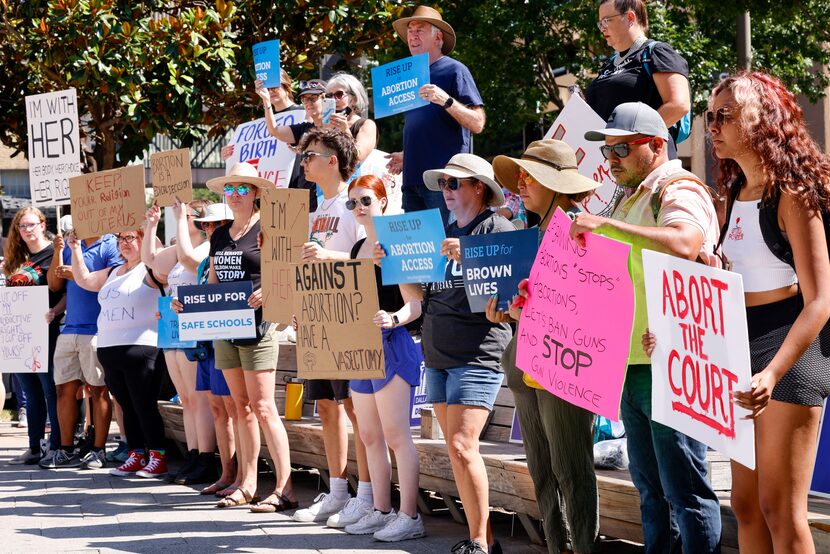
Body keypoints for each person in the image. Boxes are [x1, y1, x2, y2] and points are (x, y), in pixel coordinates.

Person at [570, 102, 721, 553]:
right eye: (607, 151)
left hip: (671, 362)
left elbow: (686, 243)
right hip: (635, 360)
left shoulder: (677, 188)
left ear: (657, 145)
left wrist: (604, 224)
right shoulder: (633, 194)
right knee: (653, 493)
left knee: (685, 493)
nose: (610, 160)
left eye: (620, 149)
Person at [707, 71, 830, 554]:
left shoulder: (793, 196)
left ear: (762, 121)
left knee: (781, 507)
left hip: (790, 353)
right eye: (710, 116)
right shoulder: (730, 197)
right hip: (741, 349)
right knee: (746, 505)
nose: (713, 126)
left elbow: (820, 300)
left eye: (726, 116)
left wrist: (773, 373)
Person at [377, 153, 512, 554]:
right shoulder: (446, 230)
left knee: (460, 445)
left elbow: (508, 288)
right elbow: (421, 297)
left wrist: (469, 256)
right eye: (444, 184)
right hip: (437, 351)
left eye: (455, 184)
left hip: (478, 351)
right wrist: (398, 270)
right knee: (457, 451)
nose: (447, 191)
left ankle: (477, 542)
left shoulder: (498, 227)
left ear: (479, 188)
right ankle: (485, 539)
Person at [486, 140, 601, 554]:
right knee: (541, 467)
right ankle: (557, 545)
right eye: (520, 175)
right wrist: (505, 311)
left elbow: (592, 306)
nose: (520, 183)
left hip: (566, 361)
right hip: (525, 360)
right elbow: (524, 304)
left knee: (570, 467)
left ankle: (581, 547)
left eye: (530, 176)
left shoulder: (582, 231)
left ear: (556, 183)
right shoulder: (528, 234)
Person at [196, 162, 296, 510]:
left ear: (255, 194)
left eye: (242, 189)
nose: (236, 195)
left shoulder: (268, 229)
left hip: (260, 326)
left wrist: (269, 290)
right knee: (241, 407)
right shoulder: (220, 235)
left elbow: (287, 271)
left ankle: (285, 487)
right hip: (226, 327)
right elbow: (213, 282)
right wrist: (192, 305)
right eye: (230, 189)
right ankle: (248, 482)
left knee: (265, 407)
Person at [290, 128, 372, 526]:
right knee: (325, 406)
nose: (303, 162)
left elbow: (369, 257)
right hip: (316, 316)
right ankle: (338, 491)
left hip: (348, 316)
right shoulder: (312, 208)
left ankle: (370, 494)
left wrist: (327, 255)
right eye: (303, 157)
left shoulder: (354, 202)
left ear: (332, 161)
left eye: (309, 156)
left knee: (355, 408)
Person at [337, 175, 425, 541]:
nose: (359, 208)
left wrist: (393, 318)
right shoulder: (358, 247)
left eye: (366, 201)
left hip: (393, 342)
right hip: (361, 345)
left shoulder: (395, 242)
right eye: (352, 202)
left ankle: (410, 515)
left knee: (395, 434)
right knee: (369, 433)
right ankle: (381, 510)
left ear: (384, 202)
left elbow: (415, 304)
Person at [68, 229, 168, 478]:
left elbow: (162, 261)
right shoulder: (114, 271)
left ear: (144, 241)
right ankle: (136, 452)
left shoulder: (150, 268)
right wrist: (75, 249)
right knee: (126, 405)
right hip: (111, 349)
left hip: (141, 347)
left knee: (144, 404)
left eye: (130, 238)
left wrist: (152, 225)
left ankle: (157, 454)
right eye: (120, 239)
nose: (124, 243)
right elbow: (84, 280)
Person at [142, 199, 218, 486]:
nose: (180, 219)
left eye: (186, 215)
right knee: (186, 398)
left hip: (195, 325)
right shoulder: (182, 246)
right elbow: (151, 261)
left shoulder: (208, 247)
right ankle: (194, 453)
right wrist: (151, 226)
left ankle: (206, 457)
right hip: (173, 324)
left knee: (198, 397)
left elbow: (188, 261)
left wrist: (180, 221)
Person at [387, 5, 485, 225]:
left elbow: (478, 123)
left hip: (444, 181)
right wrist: (408, 154)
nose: (412, 35)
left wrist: (446, 101)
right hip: (412, 181)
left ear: (438, 37)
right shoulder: (409, 77)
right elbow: (429, 128)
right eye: (410, 31)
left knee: (444, 247)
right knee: (419, 254)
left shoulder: (455, 70)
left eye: (419, 30)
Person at [44, 231, 122, 469]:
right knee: (64, 390)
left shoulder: (110, 245)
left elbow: (114, 284)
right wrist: (58, 251)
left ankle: (98, 451)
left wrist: (77, 275)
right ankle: (66, 450)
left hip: (97, 329)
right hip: (70, 329)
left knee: (98, 390)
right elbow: (55, 284)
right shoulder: (70, 243)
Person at [584, 0, 690, 157]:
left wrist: (630, 141)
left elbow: (678, 105)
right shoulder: (609, 65)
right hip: (610, 161)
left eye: (607, 20)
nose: (602, 28)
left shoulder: (656, 52)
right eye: (600, 23)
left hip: (646, 160)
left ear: (630, 18)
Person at [4, 207, 65, 465]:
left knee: (49, 388)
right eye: (22, 226)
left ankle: (56, 445)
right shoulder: (18, 257)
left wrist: (55, 311)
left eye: (31, 224)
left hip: (46, 330)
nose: (26, 230)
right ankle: (34, 446)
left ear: (43, 224)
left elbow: (66, 291)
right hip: (20, 334)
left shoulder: (55, 252)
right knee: (29, 391)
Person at [190, 203, 241, 497]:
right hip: (205, 344)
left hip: (226, 338)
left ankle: (239, 475)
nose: (209, 229)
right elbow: (203, 296)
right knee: (218, 409)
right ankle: (226, 472)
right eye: (205, 225)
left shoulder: (232, 254)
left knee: (233, 409)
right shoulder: (204, 261)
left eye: (214, 224)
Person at [324, 73, 378, 165]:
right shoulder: (326, 123)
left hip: (355, 178)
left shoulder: (366, 125)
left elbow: (358, 156)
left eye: (339, 94)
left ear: (354, 98)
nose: (334, 99)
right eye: (330, 96)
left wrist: (345, 130)